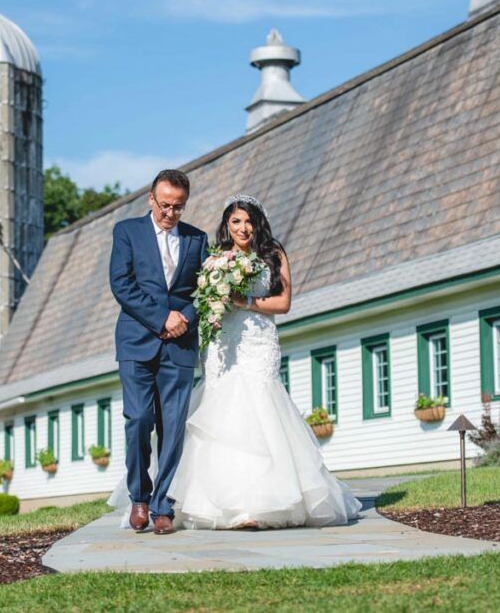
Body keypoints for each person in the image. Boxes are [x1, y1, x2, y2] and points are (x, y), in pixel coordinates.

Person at [109, 194, 361, 530]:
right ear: (227, 225)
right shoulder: (215, 258)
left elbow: (284, 302)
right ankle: (204, 502)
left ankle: (257, 505)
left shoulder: (273, 253)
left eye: (249, 221)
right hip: (223, 343)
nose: (243, 228)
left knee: (259, 413)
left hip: (257, 340)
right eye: (236, 222)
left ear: (258, 223)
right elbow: (196, 295)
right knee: (220, 418)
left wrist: (245, 301)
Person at [109, 169, 208, 535]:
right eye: (165, 205)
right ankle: (140, 496)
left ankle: (164, 506)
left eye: (178, 207)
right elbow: (121, 284)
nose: (170, 213)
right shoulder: (127, 232)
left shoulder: (198, 240)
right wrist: (161, 318)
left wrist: (185, 317)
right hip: (137, 342)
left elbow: (206, 289)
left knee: (173, 427)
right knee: (138, 419)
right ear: (151, 199)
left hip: (180, 345)